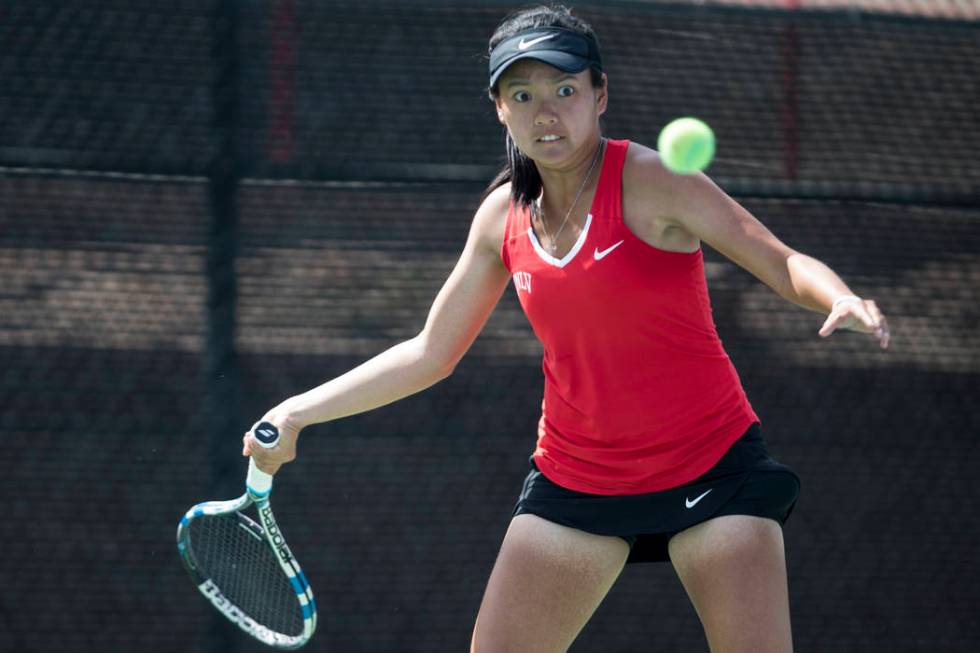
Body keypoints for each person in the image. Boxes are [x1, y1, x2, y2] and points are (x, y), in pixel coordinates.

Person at [243, 5, 889, 652]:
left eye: (564, 90)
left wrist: (839, 296)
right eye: (521, 95)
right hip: (577, 478)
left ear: (600, 94)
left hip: (712, 468)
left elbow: (780, 261)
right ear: (498, 108)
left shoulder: (656, 181)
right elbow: (429, 352)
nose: (544, 112)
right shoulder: (502, 218)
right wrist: (296, 412)